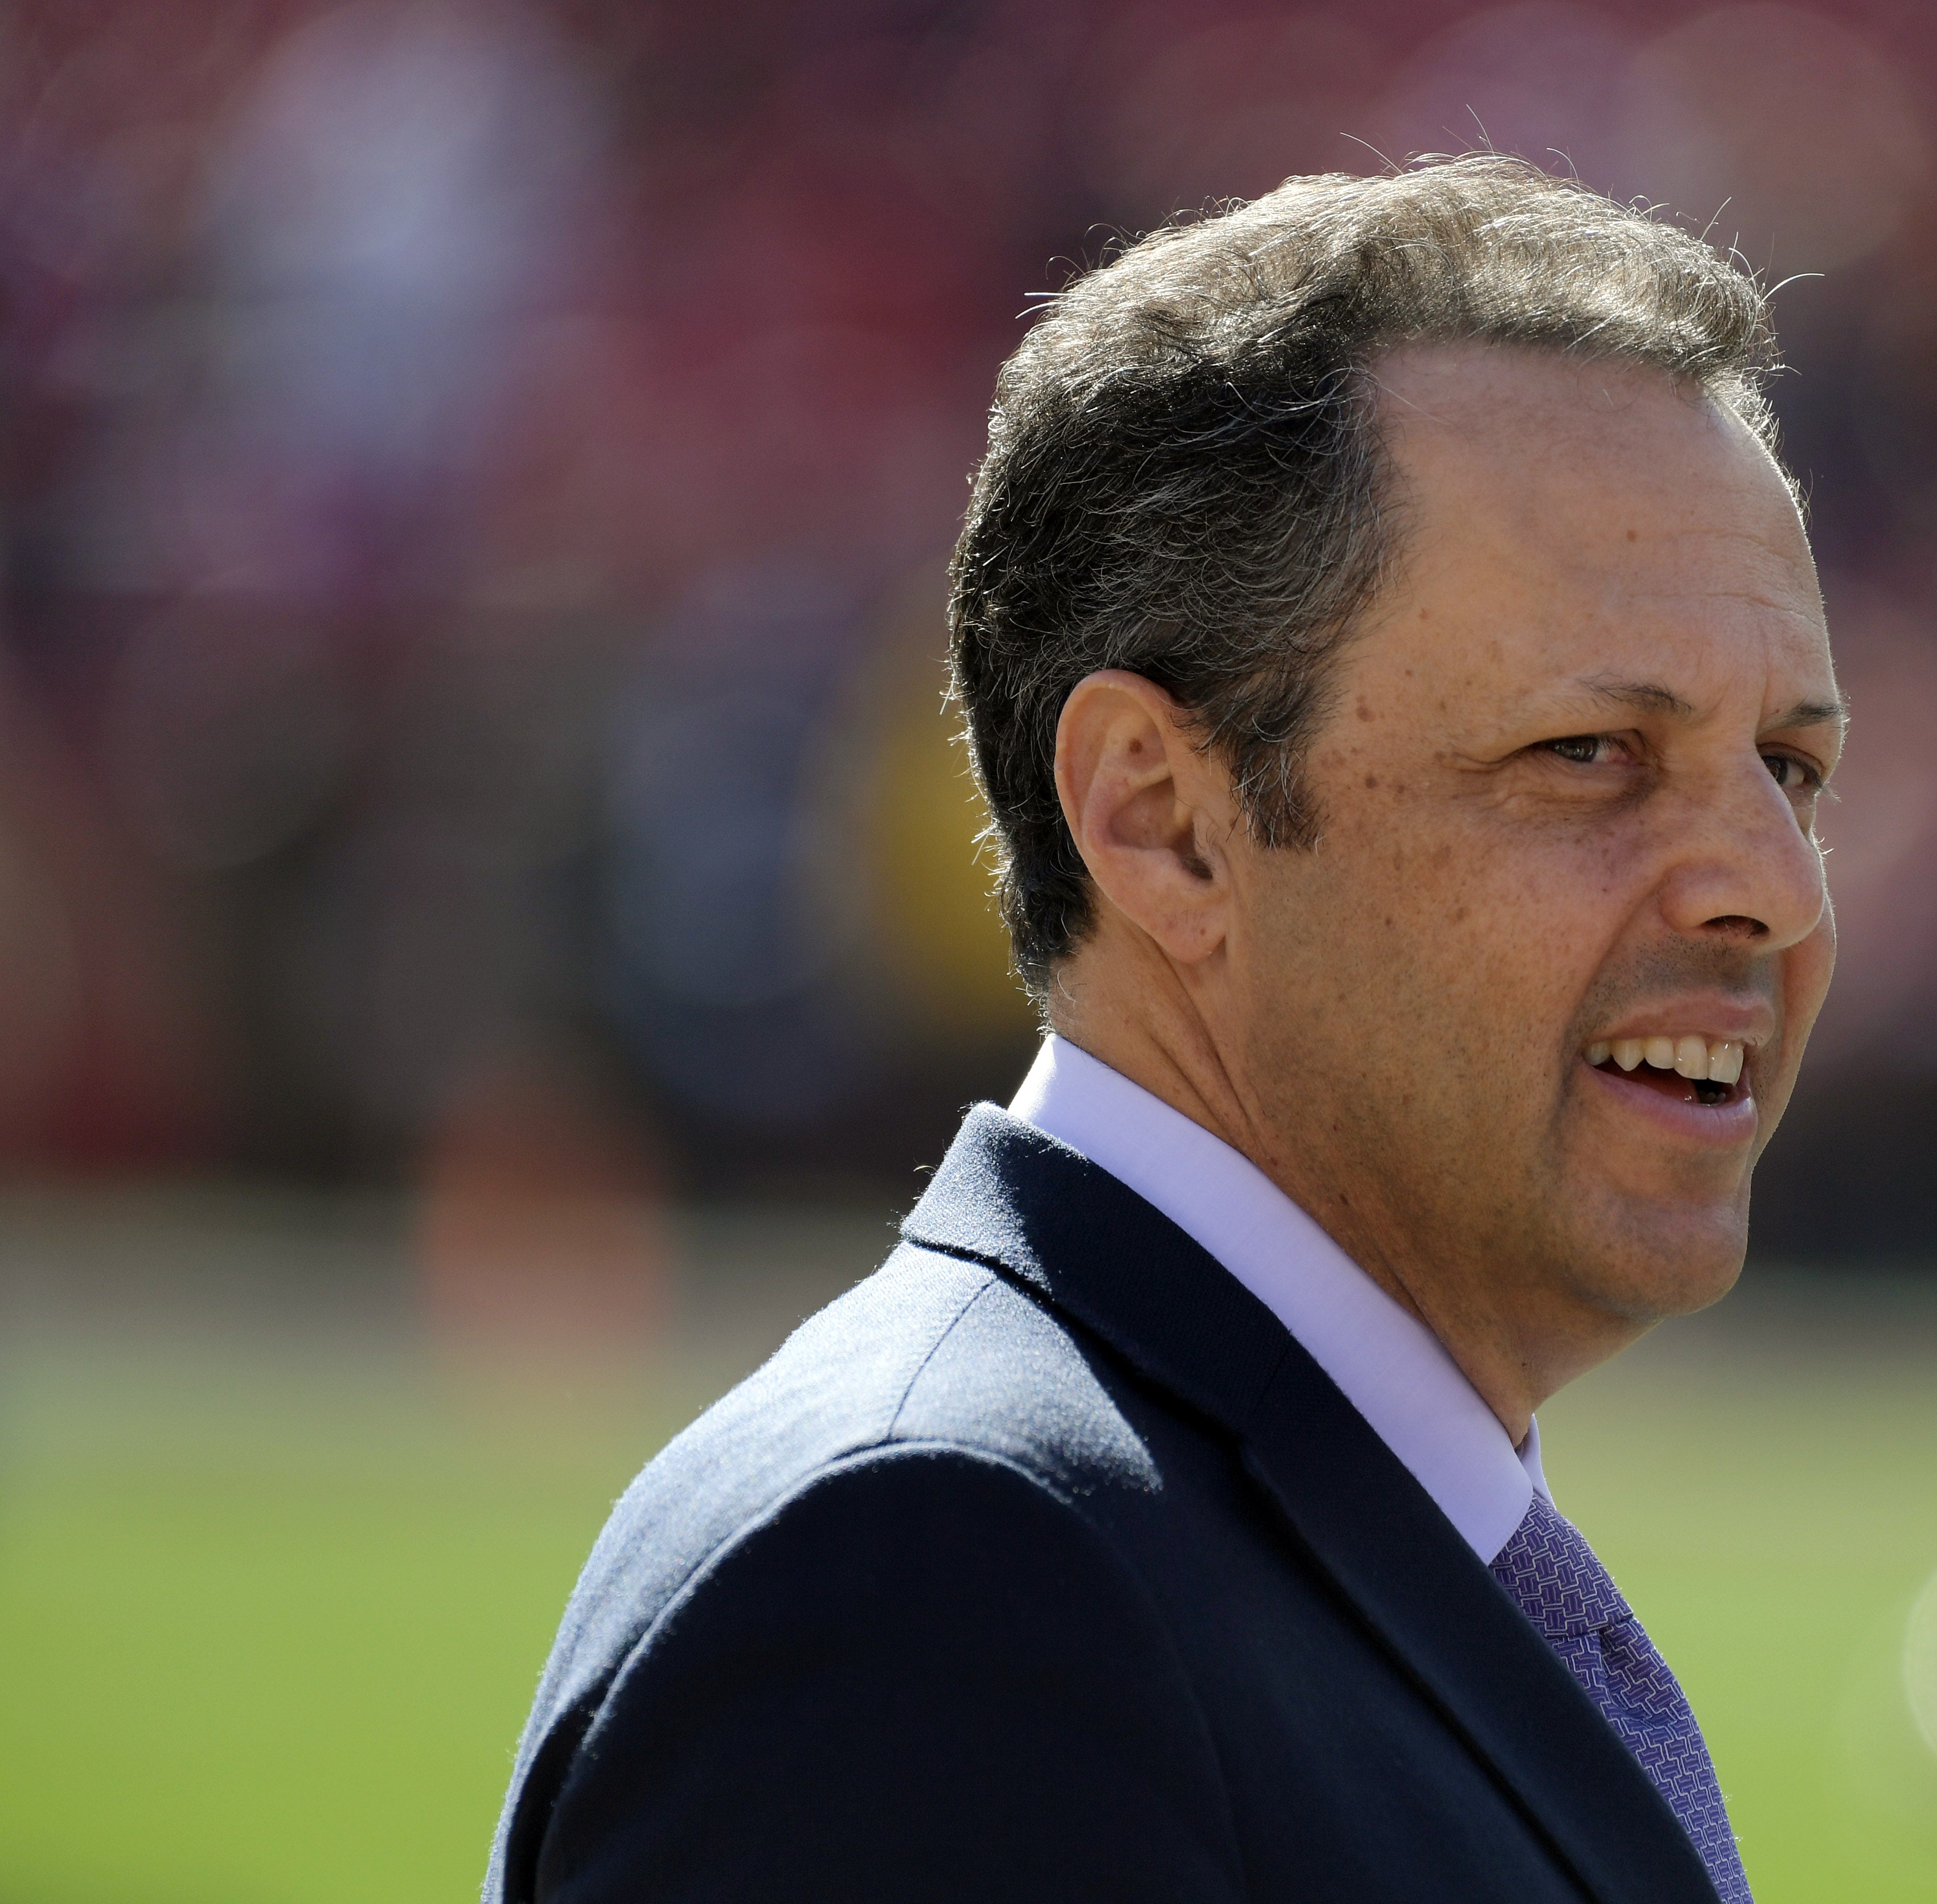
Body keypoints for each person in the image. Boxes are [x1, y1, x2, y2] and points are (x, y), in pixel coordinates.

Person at [485, 155, 1841, 1904]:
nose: (1773, 890)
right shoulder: (940, 1585)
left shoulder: (1184, 1534)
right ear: (1165, 820)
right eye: (1591, 755)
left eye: (1791, 769)